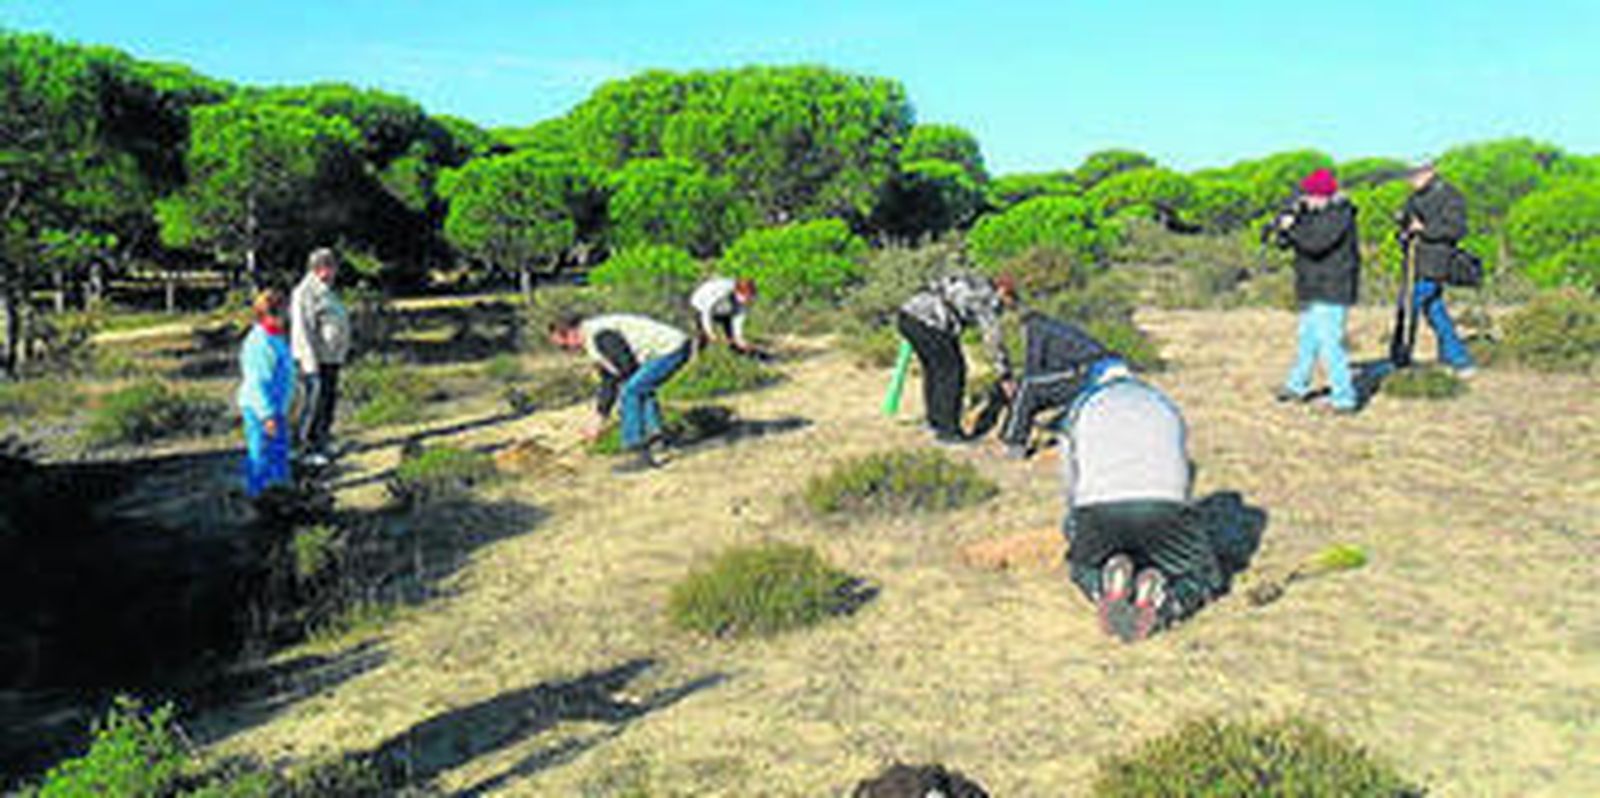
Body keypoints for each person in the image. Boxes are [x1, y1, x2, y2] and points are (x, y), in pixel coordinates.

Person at [1058, 364, 1229, 643]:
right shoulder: (1162, 402)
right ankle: (1164, 601)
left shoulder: (1083, 405)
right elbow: (1182, 465)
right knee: (1203, 576)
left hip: (1097, 507)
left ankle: (1105, 580)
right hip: (1164, 504)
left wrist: (1073, 522)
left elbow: (1069, 475)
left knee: (1081, 565)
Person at [548, 312, 692, 473]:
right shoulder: (593, 339)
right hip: (672, 346)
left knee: (630, 391)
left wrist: (609, 414)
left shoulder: (601, 336)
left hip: (672, 348)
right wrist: (599, 418)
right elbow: (610, 378)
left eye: (564, 346)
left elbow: (625, 369)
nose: (567, 351)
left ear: (571, 332)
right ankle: (657, 440)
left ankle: (635, 450)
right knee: (639, 389)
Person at [1273, 167, 1361, 413]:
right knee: (1307, 340)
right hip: (1312, 286)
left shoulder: (1340, 214)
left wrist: (1292, 228)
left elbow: (1316, 243)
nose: (1305, 200)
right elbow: (1289, 242)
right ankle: (1296, 386)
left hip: (1333, 287)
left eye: (1309, 195)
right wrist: (1283, 228)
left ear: (1322, 195)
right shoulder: (1312, 212)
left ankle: (1344, 399)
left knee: (1330, 344)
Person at [896, 270, 1017, 445]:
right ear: (1003, 291)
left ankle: (935, 422)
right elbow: (993, 339)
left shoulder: (974, 279)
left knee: (935, 371)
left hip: (908, 316)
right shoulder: (987, 298)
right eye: (1011, 300)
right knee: (953, 373)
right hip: (930, 322)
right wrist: (1005, 375)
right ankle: (948, 433)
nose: (1009, 307)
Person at [996, 313, 1116, 458]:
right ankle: (1009, 434)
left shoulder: (1035, 328)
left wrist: (1015, 391)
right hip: (1100, 370)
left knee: (1027, 387)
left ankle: (1014, 444)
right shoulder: (1053, 329)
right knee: (1030, 387)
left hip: (1088, 373)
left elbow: (1032, 367)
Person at [1398, 162, 1475, 374]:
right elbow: (1408, 226)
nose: (1410, 180)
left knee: (1408, 307)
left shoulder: (1450, 195)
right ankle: (1458, 359)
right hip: (1416, 263)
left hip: (1437, 262)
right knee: (1434, 311)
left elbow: (1457, 229)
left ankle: (1400, 359)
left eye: (1414, 175)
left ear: (1429, 172)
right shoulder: (1414, 198)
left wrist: (1424, 230)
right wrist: (1404, 230)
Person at [289, 247, 351, 467]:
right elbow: (303, 329)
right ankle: (305, 449)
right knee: (312, 405)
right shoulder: (305, 292)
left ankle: (322, 442)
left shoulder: (326, 289)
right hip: (314, 360)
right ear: (319, 268)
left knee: (327, 403)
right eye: (331, 267)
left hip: (331, 358)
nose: (334, 272)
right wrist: (309, 361)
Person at [237, 289, 296, 498]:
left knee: (278, 454)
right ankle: (258, 498)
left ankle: (280, 497)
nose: (287, 318)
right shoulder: (259, 343)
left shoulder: (275, 338)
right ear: (269, 315)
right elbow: (257, 383)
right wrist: (267, 415)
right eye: (283, 313)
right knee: (261, 456)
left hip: (276, 408)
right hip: (261, 410)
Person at [688, 276, 763, 357]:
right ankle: (692, 354)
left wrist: (738, 338)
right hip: (699, 305)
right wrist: (709, 332)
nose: (747, 301)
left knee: (735, 339)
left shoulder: (743, 302)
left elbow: (738, 319)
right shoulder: (722, 291)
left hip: (721, 309)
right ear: (737, 292)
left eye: (749, 298)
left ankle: (743, 353)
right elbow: (706, 310)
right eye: (746, 298)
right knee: (702, 335)